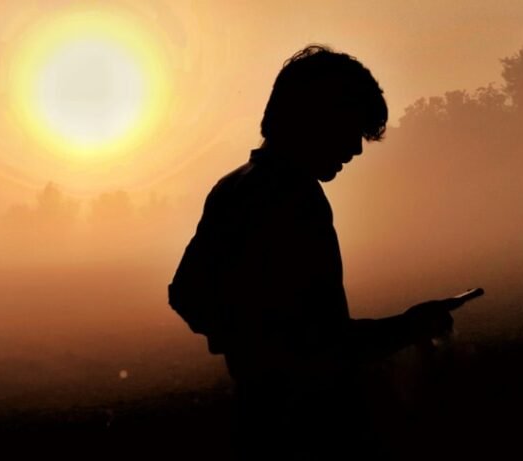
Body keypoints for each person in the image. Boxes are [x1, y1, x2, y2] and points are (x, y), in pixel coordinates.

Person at [168, 45, 477, 459]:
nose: (357, 148)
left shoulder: (235, 186)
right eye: (352, 129)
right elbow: (320, 340)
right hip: (311, 429)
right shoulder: (292, 197)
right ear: (314, 119)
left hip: (259, 420)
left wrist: (244, 340)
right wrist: (410, 326)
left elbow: (186, 294)